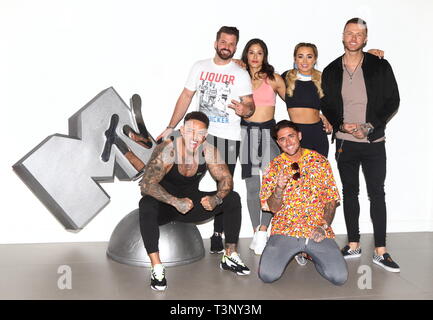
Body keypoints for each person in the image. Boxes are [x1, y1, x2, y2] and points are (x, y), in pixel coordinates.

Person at [156, 26, 255, 254]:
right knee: (181, 176)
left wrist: (245, 109)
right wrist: (171, 126)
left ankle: (219, 234)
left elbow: (250, 106)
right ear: (215, 43)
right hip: (200, 136)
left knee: (224, 186)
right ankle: (173, 216)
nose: (226, 46)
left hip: (229, 137)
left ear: (235, 47)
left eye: (231, 43)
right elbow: (186, 96)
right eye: (223, 42)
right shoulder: (200, 67)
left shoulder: (240, 73)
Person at [321, 18, 400, 272]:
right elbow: (328, 105)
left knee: (377, 193)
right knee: (350, 193)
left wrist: (369, 126)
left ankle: (381, 250)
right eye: (349, 33)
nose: (354, 38)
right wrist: (341, 125)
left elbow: (392, 100)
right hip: (345, 143)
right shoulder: (332, 70)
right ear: (342, 36)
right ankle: (353, 244)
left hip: (373, 140)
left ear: (366, 39)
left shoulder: (380, 65)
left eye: (359, 34)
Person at [139, 111, 250, 291]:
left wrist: (216, 198)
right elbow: (146, 184)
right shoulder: (168, 149)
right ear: (182, 130)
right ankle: (157, 267)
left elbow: (226, 179)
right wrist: (175, 201)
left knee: (232, 198)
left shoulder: (209, 150)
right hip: (166, 206)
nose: (195, 137)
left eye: (200, 133)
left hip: (190, 206)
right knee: (146, 204)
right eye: (191, 131)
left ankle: (230, 255)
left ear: (205, 135)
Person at [258, 120, 347, 285]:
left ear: (299, 136)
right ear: (278, 142)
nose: (288, 142)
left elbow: (330, 200)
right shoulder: (273, 167)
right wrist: (279, 188)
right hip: (285, 229)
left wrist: (323, 226)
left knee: (339, 277)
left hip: (316, 229)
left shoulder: (319, 161)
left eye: (291, 136)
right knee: (267, 275)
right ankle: (295, 251)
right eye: (282, 139)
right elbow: (272, 208)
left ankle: (310, 253)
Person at [234, 38, 286, 255]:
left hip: (268, 133)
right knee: (253, 187)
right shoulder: (239, 76)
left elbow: (294, 103)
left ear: (265, 56)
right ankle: (257, 232)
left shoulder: (273, 79)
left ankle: (264, 229)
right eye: (251, 53)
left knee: (273, 185)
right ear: (246, 55)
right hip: (246, 133)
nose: (255, 57)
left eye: (260, 53)